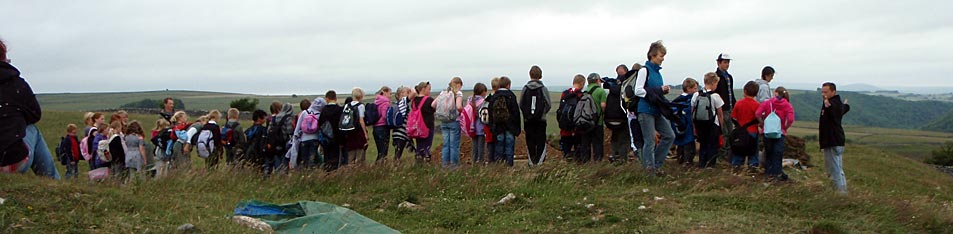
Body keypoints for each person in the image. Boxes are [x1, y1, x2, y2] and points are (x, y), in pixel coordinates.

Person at [0, 39, 58, 178]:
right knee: (32, 130)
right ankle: (52, 181)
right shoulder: (17, 84)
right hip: (11, 162)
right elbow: (35, 115)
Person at [633, 40, 675, 175]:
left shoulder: (657, 73)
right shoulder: (644, 70)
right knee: (650, 141)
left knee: (669, 135)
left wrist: (662, 91)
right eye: (661, 56)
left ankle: (654, 164)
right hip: (645, 110)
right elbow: (638, 90)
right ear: (652, 55)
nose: (662, 59)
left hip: (656, 110)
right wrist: (658, 90)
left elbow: (654, 91)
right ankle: (650, 171)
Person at [756, 87, 794, 181]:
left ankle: (768, 174)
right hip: (779, 132)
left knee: (768, 153)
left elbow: (758, 113)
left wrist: (762, 123)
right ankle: (777, 174)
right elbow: (790, 119)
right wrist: (785, 127)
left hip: (767, 132)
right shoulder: (787, 105)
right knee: (778, 154)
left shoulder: (768, 102)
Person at [819, 82, 850, 195]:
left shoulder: (832, 104)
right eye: (822, 92)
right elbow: (842, 109)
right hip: (836, 141)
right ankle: (840, 191)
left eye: (826, 92)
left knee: (834, 170)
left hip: (832, 141)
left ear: (833, 92)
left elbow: (835, 112)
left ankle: (840, 193)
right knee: (836, 168)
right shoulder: (836, 103)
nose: (824, 94)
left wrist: (828, 105)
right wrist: (846, 106)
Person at [520, 66, 552, 167]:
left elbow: (521, 104)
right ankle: (540, 162)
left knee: (530, 140)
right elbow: (548, 104)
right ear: (540, 76)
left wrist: (527, 114)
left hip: (528, 120)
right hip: (541, 120)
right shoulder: (543, 89)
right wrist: (542, 113)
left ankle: (531, 162)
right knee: (541, 140)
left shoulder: (525, 88)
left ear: (530, 75)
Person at [693, 72, 725, 168]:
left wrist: (694, 125)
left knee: (703, 144)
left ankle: (702, 163)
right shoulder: (715, 96)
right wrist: (721, 127)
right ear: (713, 83)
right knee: (712, 145)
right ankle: (711, 164)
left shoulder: (696, 95)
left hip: (699, 123)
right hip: (712, 124)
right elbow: (720, 114)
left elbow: (693, 110)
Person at [487, 76, 521, 166]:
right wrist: (517, 128)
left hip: (498, 127)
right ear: (508, 85)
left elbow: (490, 113)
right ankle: (509, 167)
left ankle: (499, 168)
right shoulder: (511, 96)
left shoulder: (494, 97)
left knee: (499, 148)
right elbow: (516, 113)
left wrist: (491, 127)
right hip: (510, 127)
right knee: (509, 148)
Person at [730, 81, 762, 174]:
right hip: (752, 131)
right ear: (756, 93)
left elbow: (733, 116)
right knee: (753, 152)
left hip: (740, 131)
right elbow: (759, 118)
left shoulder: (739, 103)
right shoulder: (757, 105)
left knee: (739, 151)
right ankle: (752, 170)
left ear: (745, 91)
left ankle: (736, 169)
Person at [578, 73, 607, 164]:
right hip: (597, 122)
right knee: (597, 143)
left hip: (586, 122)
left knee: (585, 143)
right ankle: (598, 163)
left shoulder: (585, 91)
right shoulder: (601, 91)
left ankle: (585, 162)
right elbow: (603, 106)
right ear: (598, 81)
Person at [436, 78, 464, 168]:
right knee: (454, 145)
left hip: (443, 121)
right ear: (459, 84)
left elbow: (433, 104)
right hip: (454, 121)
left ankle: (445, 165)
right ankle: (454, 166)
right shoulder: (458, 93)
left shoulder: (443, 93)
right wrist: (463, 112)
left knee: (445, 144)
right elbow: (459, 106)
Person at [605, 65, 630, 163]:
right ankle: (622, 159)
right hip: (622, 118)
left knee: (615, 136)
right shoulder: (626, 88)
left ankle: (612, 155)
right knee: (624, 138)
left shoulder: (612, 86)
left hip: (610, 119)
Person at [714, 53, 736, 161]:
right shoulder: (716, 77)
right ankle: (722, 154)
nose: (727, 64)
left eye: (728, 62)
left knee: (730, 132)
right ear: (718, 63)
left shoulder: (729, 77)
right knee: (723, 132)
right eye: (725, 62)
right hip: (721, 109)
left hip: (730, 108)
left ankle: (728, 154)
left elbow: (730, 92)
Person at [557, 75, 585, 161]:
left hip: (565, 129)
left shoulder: (565, 93)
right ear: (581, 83)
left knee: (566, 153)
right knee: (578, 154)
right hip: (577, 129)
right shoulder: (581, 95)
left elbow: (560, 111)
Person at [673, 78, 699, 166]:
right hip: (687, 126)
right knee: (688, 144)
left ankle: (680, 159)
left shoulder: (676, 100)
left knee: (681, 144)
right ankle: (687, 161)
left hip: (679, 127)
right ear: (688, 88)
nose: (696, 91)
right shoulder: (689, 100)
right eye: (695, 88)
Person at [293, 98, 325, 169]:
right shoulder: (320, 115)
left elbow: (298, 128)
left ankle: (304, 174)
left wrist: (296, 139)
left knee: (304, 160)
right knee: (312, 160)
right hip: (315, 139)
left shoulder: (304, 112)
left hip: (304, 139)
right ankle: (311, 174)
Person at [319, 91, 344, 171]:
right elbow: (342, 125)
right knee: (336, 158)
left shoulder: (324, 110)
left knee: (327, 157)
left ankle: (327, 173)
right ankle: (334, 173)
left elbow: (320, 124)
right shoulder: (339, 110)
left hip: (326, 138)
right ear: (336, 98)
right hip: (337, 138)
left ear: (327, 98)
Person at [266, 103, 294, 174]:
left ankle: (278, 175)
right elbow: (289, 131)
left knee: (277, 160)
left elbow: (268, 130)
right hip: (284, 142)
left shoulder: (274, 118)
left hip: (275, 143)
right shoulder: (288, 118)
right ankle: (283, 175)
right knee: (284, 160)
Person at [413, 82, 437, 164]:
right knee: (427, 146)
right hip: (428, 126)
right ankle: (426, 163)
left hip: (417, 127)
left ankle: (418, 163)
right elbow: (433, 109)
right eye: (429, 89)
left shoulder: (414, 100)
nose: (430, 91)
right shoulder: (429, 100)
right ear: (423, 89)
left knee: (419, 146)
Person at [344, 88, 369, 166]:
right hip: (358, 132)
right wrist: (365, 133)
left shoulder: (346, 106)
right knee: (360, 154)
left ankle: (350, 170)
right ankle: (358, 170)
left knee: (350, 154)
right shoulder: (360, 106)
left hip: (349, 131)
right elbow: (361, 120)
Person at [391, 87, 414, 163]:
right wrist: (410, 89)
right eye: (406, 92)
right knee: (398, 153)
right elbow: (413, 93)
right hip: (401, 132)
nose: (408, 93)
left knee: (398, 151)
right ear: (401, 94)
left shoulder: (397, 103)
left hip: (396, 132)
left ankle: (395, 166)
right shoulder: (403, 102)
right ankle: (395, 167)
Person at [469, 83, 488, 164]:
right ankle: (480, 162)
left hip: (472, 127)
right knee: (481, 146)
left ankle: (474, 161)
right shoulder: (483, 102)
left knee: (474, 146)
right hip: (481, 127)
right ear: (483, 92)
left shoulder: (470, 100)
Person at [373, 87, 392, 162]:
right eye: (390, 93)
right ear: (385, 92)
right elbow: (384, 115)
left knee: (380, 150)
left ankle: (378, 166)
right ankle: (380, 168)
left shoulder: (377, 101)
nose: (390, 95)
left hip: (376, 127)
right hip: (383, 127)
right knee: (383, 151)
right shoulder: (385, 102)